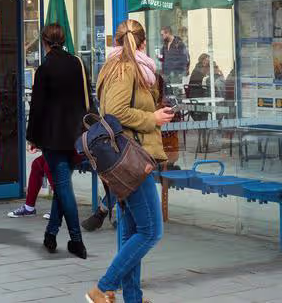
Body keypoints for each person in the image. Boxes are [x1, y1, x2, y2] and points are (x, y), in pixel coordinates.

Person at [86, 19, 172, 303]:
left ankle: (132, 298)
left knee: (132, 229)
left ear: (117, 41)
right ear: (143, 43)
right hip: (132, 161)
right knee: (151, 231)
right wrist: (152, 118)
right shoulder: (126, 68)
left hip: (128, 157)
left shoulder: (119, 66)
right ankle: (102, 288)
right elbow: (115, 112)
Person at [25, 23, 89, 259]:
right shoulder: (78, 64)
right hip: (76, 137)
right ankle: (50, 234)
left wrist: (32, 137)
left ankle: (77, 241)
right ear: (63, 40)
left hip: (53, 138)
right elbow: (87, 99)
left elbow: (37, 108)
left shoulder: (45, 69)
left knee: (63, 188)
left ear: (44, 42)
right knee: (62, 186)